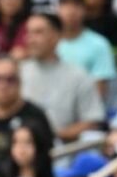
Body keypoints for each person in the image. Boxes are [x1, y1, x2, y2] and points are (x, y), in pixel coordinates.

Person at [20, 12, 106, 143]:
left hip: (64, 150)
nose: (30, 39)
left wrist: (55, 135)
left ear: (56, 36)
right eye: (29, 33)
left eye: (38, 33)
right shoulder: (17, 73)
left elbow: (93, 121)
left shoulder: (78, 75)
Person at [57, 0, 117, 101]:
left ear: (85, 10)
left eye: (76, 5)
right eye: (65, 4)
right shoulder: (49, 43)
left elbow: (100, 93)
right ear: (57, 8)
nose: (71, 10)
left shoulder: (99, 44)